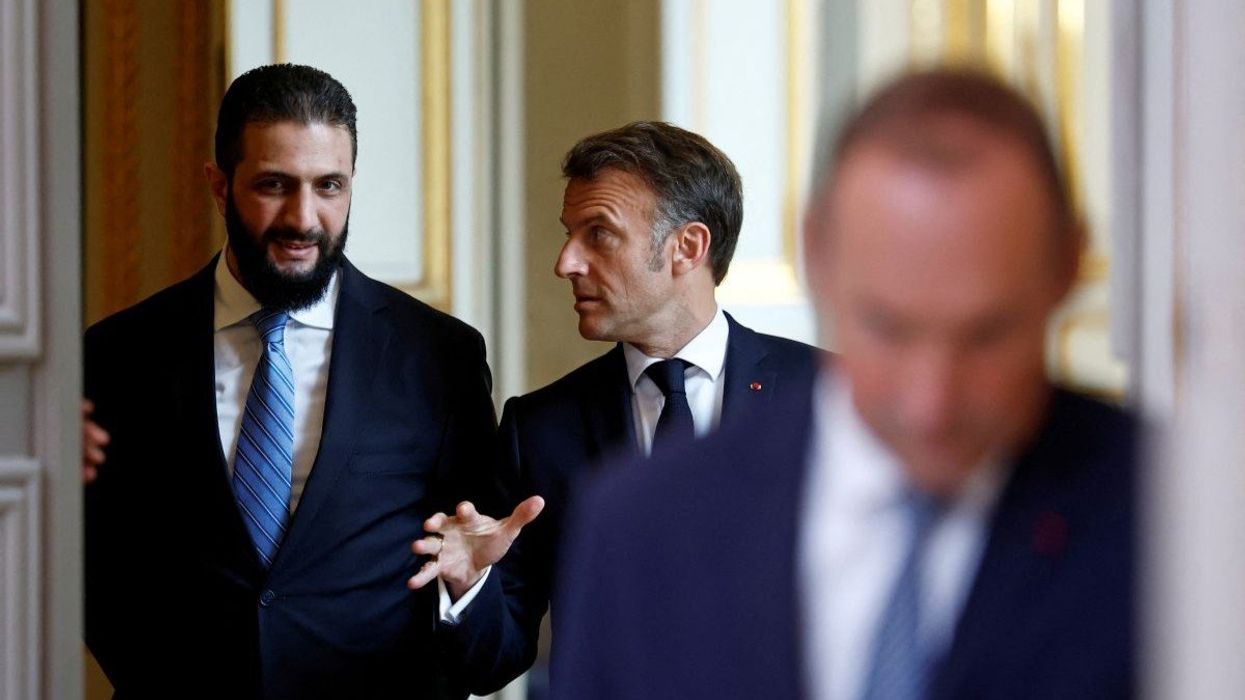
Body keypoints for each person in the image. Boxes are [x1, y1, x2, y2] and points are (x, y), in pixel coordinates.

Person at [551, 69, 1137, 700]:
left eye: (986, 335)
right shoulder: (643, 523)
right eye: (888, 328)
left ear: (1069, 266)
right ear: (816, 256)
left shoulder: (1173, 509)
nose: (929, 401)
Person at [83, 63, 499, 699]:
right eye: (274, 185)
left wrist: (467, 590)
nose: (303, 218)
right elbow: (90, 561)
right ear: (220, 188)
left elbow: (488, 609)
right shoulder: (121, 352)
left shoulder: (440, 357)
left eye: (329, 186)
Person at [407, 121, 823, 695]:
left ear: (688, 247)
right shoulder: (542, 429)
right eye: (569, 233)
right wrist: (470, 584)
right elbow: (490, 664)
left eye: (598, 234)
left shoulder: (826, 395)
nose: (566, 263)